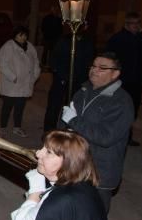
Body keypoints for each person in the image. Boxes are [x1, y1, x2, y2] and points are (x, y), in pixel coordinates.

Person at [57, 52, 135, 211]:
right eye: (93, 66)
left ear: (115, 74)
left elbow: (106, 137)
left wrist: (74, 121)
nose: (94, 70)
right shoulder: (83, 91)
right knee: (70, 214)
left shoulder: (121, 101)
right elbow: (65, 121)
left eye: (102, 68)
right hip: (74, 165)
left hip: (99, 172)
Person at [105, 13, 142, 145]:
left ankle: (127, 136)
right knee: (118, 109)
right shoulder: (118, 39)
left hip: (137, 81)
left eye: (138, 23)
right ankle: (114, 134)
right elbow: (110, 59)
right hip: (121, 81)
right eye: (133, 23)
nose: (136, 26)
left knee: (132, 110)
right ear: (126, 24)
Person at [43, 30, 95, 133]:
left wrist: (85, 78)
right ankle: (49, 131)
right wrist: (62, 76)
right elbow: (54, 61)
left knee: (74, 107)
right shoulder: (64, 41)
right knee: (54, 106)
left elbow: (89, 61)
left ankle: (68, 129)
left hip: (78, 81)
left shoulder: (87, 42)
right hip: (61, 79)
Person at [0, 25, 41, 138]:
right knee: (7, 106)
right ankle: (3, 127)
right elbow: (2, 64)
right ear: (15, 35)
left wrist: (35, 75)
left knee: (20, 107)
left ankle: (17, 127)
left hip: (26, 83)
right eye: (20, 35)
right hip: (12, 85)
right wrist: (13, 77)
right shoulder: (8, 47)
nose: (23, 37)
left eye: (25, 35)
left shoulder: (30, 47)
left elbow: (36, 62)